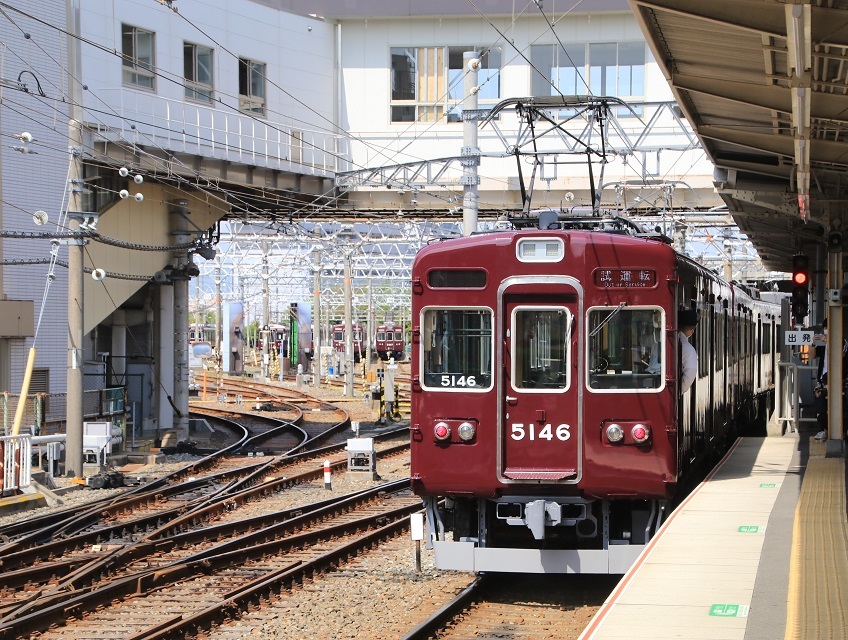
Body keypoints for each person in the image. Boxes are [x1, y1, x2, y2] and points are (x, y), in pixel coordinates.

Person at [678, 309, 699, 393]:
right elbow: (690, 374)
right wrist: (679, 391)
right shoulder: (688, 349)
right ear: (692, 331)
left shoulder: (660, 342)